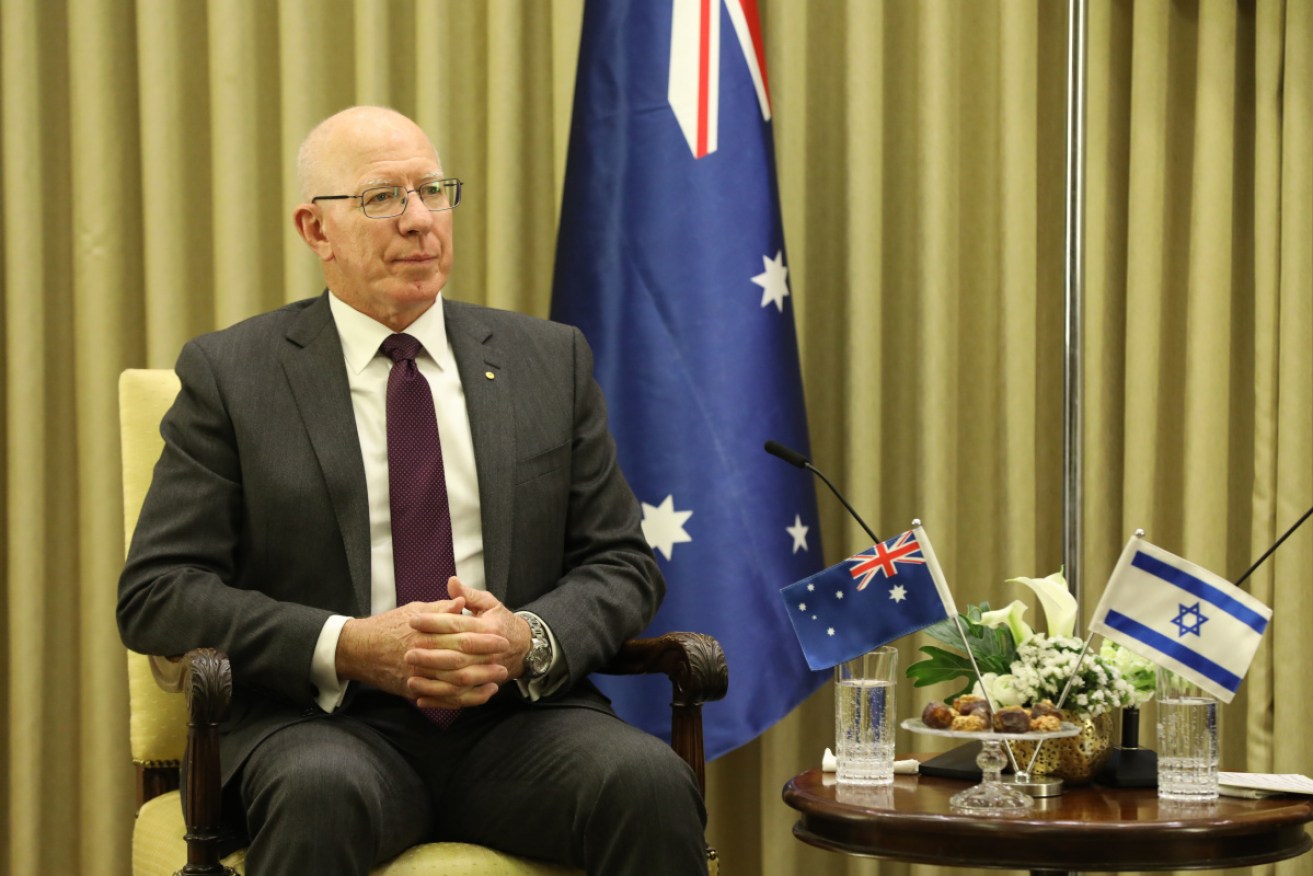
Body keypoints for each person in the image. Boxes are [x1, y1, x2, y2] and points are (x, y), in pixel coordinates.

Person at [117, 105, 708, 876]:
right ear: (315, 229)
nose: (420, 221)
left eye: (433, 191)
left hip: (519, 727)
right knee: (318, 792)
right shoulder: (234, 376)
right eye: (381, 198)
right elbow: (158, 593)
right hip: (323, 725)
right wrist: (347, 646)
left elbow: (621, 564)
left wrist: (525, 637)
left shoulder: (547, 361)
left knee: (647, 781)